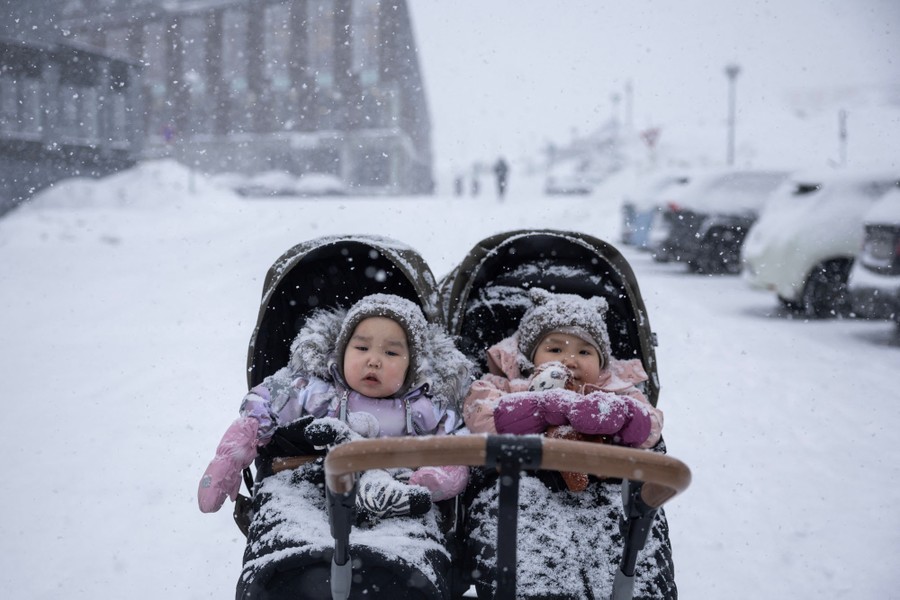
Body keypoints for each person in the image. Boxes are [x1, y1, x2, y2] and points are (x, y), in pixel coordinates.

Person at [198, 293, 472, 599]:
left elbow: (458, 445)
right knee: (289, 547)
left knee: (406, 563)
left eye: (392, 353)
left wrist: (437, 479)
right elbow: (261, 408)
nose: (374, 359)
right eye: (362, 347)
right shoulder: (313, 390)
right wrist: (228, 459)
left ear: (413, 366)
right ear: (341, 351)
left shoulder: (425, 407)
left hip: (397, 493)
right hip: (309, 483)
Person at [461, 287, 676, 599]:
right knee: (534, 568)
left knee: (626, 560)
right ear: (529, 354)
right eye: (555, 349)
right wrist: (543, 406)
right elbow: (479, 414)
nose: (571, 360)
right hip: (519, 486)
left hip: (609, 489)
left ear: (603, 363)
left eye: (585, 352)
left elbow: (651, 425)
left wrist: (617, 415)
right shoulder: (505, 386)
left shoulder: (619, 392)